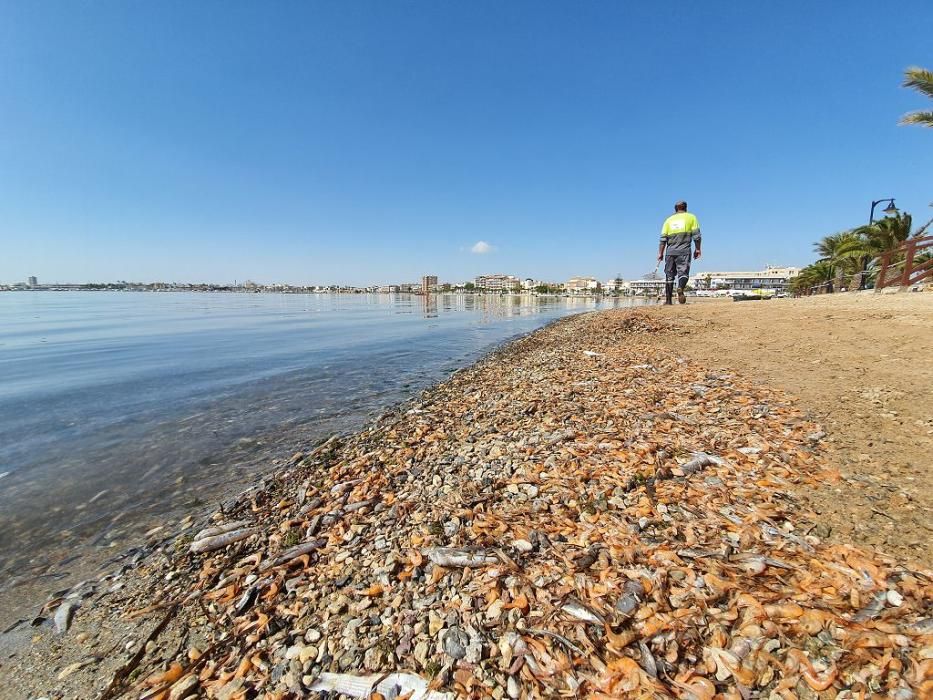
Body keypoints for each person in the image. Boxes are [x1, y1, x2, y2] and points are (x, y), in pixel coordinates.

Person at [657, 200, 702, 305]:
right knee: (684, 273)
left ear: (675, 209)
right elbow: (697, 236)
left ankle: (668, 301)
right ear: (685, 208)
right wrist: (698, 249)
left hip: (670, 252)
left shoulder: (668, 220)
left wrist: (660, 253)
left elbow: (662, 240)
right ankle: (680, 287)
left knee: (669, 275)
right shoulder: (691, 217)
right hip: (684, 251)